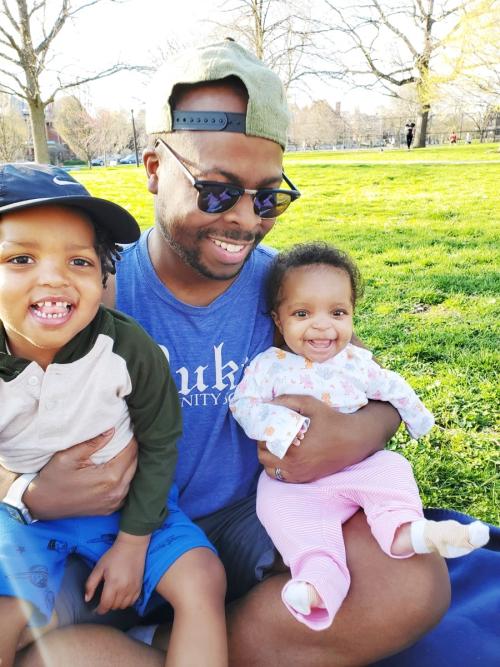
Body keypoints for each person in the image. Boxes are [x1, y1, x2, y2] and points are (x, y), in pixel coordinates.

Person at [4, 41, 450, 667]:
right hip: (92, 535)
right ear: (155, 167)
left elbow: (365, 381)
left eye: (268, 197)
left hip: (250, 525)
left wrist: (368, 428)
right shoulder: (84, 292)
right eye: (216, 191)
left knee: (409, 584)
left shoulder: (283, 292)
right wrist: (26, 492)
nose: (244, 219)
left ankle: (171, 646)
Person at [0, 163, 227, 667]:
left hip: (129, 506)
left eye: (79, 261)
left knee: (202, 580)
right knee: (7, 612)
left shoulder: (127, 349)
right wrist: (21, 493)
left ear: (104, 275)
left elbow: (162, 439)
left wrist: (133, 542)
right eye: (21, 258)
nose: (54, 277)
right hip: (22, 518)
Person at [230, 242, 489, 631]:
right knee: (282, 513)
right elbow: (243, 404)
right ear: (279, 321)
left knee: (390, 467)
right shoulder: (269, 367)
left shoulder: (356, 362)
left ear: (352, 315)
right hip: (292, 485)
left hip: (355, 468)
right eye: (302, 314)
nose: (322, 326)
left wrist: (420, 420)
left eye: (338, 313)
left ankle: (407, 529)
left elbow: (394, 388)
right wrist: (281, 429)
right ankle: (317, 581)